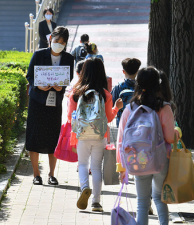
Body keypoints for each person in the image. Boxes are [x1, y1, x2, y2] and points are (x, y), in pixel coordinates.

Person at [116, 67, 180, 225]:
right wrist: (177, 132)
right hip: (160, 159)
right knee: (159, 198)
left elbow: (121, 140)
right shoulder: (164, 107)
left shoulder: (130, 109)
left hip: (137, 160)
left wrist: (122, 166)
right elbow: (170, 138)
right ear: (158, 85)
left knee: (142, 202)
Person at [67, 58, 123, 212]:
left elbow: (69, 117)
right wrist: (117, 108)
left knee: (83, 164)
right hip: (100, 135)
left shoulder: (76, 93)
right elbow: (109, 118)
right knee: (96, 167)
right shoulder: (105, 94)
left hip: (81, 134)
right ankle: (96, 202)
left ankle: (85, 187)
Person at [26, 26, 74, 185]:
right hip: (37, 101)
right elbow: (30, 76)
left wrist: (62, 87)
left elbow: (68, 78)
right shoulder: (39, 54)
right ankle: (36, 175)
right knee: (34, 136)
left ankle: (51, 174)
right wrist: (37, 86)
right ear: (50, 40)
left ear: (65, 44)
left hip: (55, 102)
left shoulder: (68, 58)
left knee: (53, 137)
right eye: (56, 41)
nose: (58, 44)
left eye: (62, 42)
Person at [111, 58, 141, 127]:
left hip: (122, 122)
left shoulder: (118, 87)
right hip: (138, 122)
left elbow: (112, 105)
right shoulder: (141, 87)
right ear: (138, 71)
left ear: (123, 71)